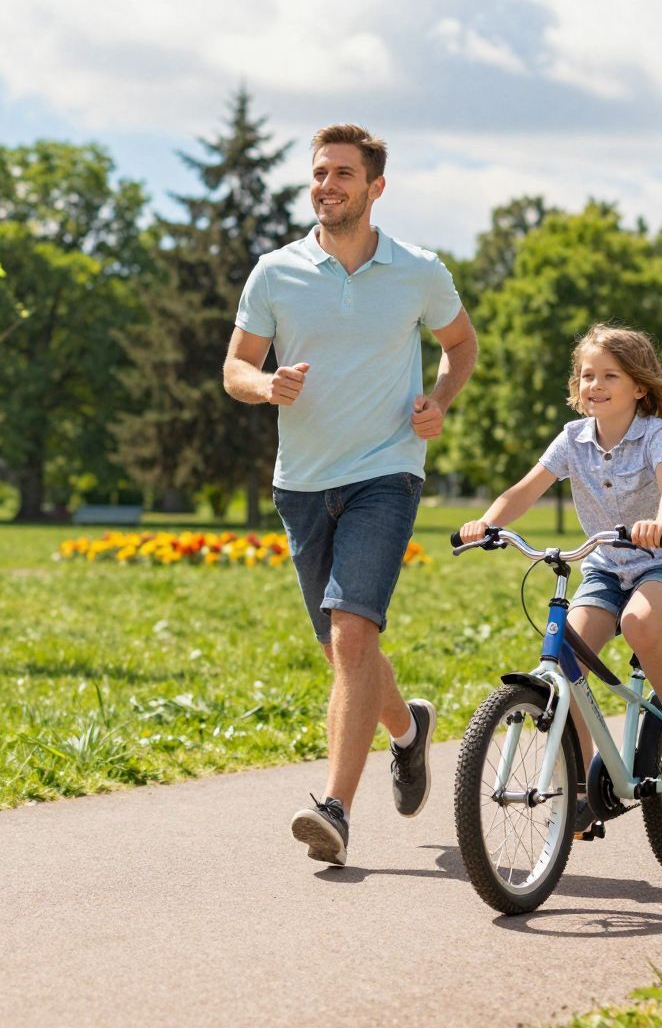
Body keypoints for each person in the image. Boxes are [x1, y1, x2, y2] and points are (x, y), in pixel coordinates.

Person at [223, 123, 478, 867]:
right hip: (301, 484)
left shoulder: (418, 271)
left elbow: (459, 344)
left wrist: (440, 400)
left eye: (342, 173)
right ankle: (407, 731)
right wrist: (266, 385)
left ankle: (334, 808)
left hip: (385, 473)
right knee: (347, 649)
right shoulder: (275, 272)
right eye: (319, 173)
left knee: (351, 637)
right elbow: (236, 367)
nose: (327, 184)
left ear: (375, 187)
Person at [456, 324, 662, 808]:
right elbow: (526, 490)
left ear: (639, 386)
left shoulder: (656, 434)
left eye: (610, 376)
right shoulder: (572, 439)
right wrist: (486, 523)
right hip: (607, 569)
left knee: (638, 621)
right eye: (587, 375)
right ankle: (579, 789)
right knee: (566, 659)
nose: (595, 385)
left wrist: (661, 522)